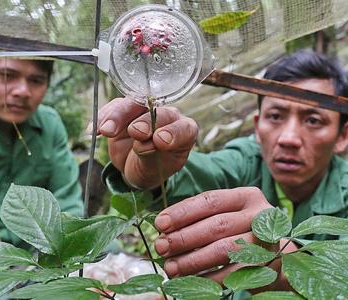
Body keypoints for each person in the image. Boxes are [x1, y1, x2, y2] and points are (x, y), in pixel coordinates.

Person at [94, 49, 348, 290]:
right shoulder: (244, 162)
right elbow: (196, 174)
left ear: (342, 136)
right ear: (257, 127)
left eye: (314, 120)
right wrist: (150, 169)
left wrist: (289, 265)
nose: (288, 138)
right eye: (276, 116)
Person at [0, 58, 82, 246]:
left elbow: (67, 204)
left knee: (112, 254)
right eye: (7, 76)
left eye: (36, 80)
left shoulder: (49, 124)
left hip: (35, 256)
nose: (23, 91)